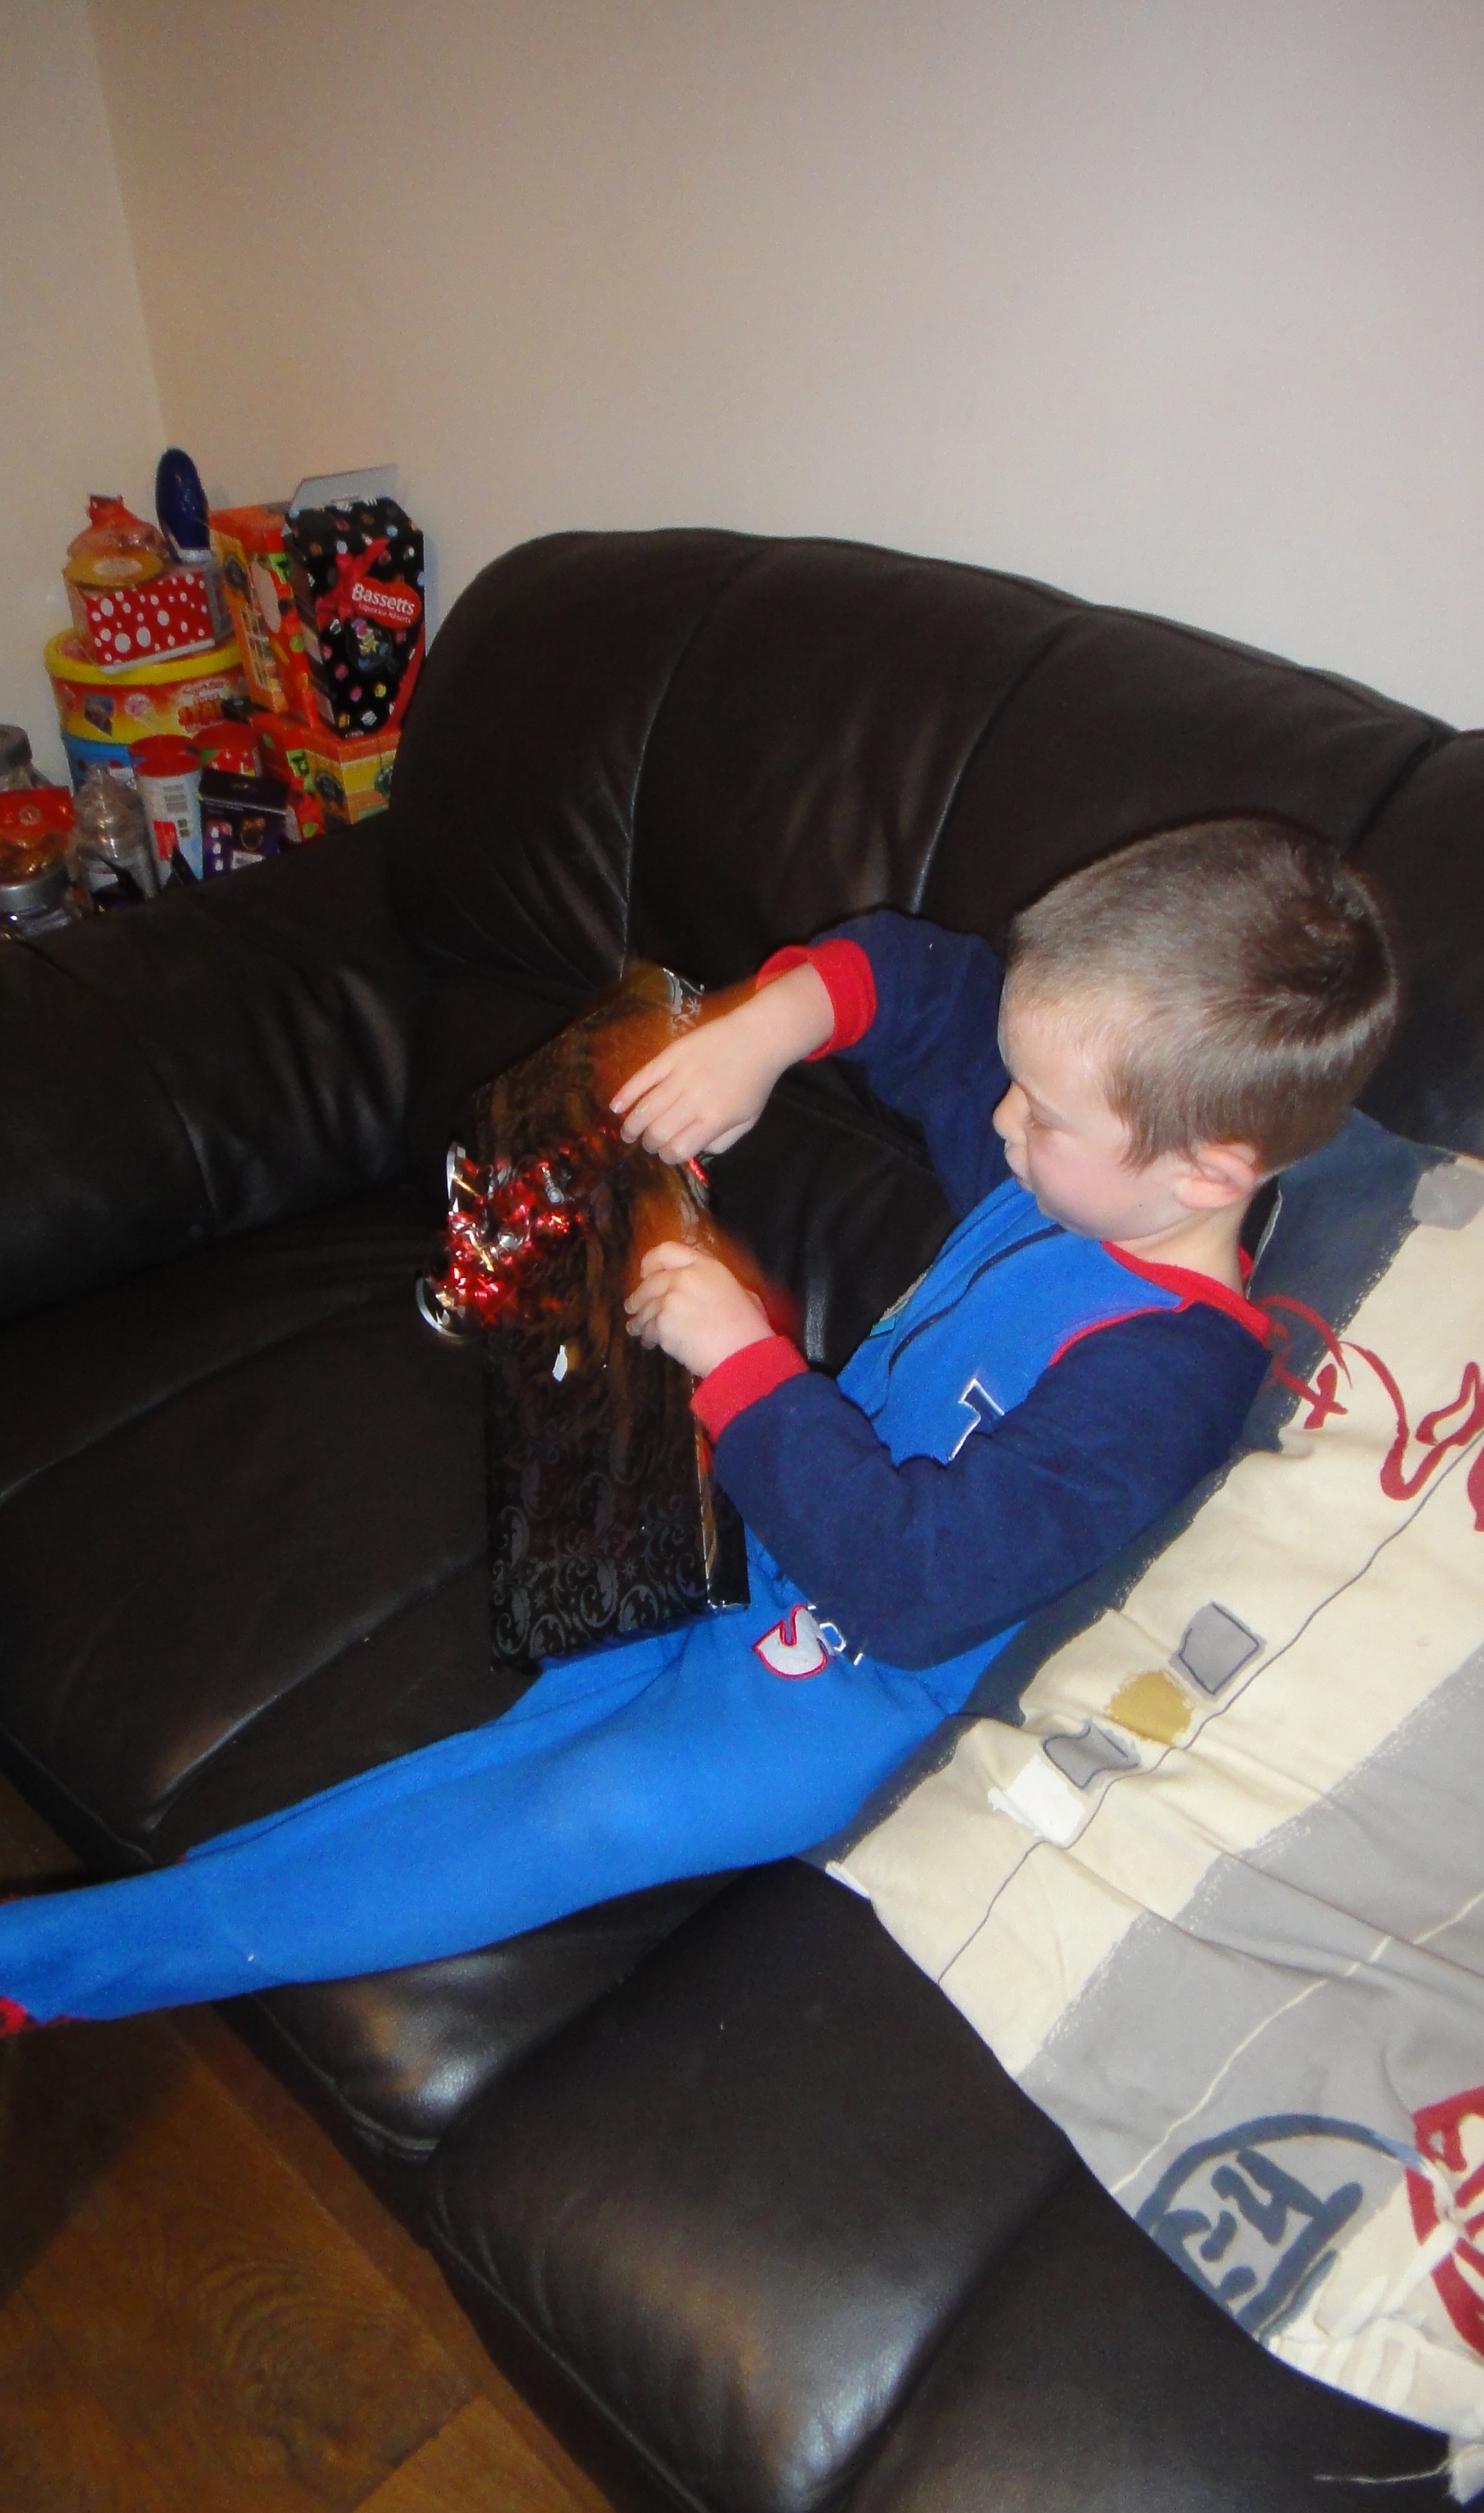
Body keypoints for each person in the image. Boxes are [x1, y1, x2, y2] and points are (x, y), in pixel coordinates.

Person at [0, 817, 1398, 2033]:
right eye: (1016, 1083)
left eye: (1045, 1113)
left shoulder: (1169, 1376)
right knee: (509, 1733)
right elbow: (920, 977)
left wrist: (742, 1361)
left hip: (858, 1684)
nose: (1000, 1118)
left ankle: (59, 1967)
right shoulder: (1077, 1169)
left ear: (1210, 1171)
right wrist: (764, 1032)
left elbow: (921, 1589)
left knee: (580, 1810)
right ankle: (83, 1952)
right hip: (771, 1517)